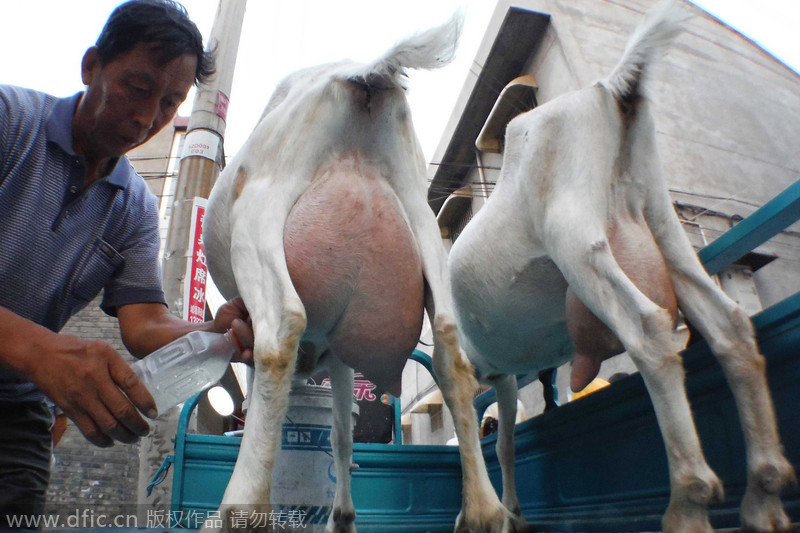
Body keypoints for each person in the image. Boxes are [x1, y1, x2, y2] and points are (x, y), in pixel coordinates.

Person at [0, 0, 253, 524]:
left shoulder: (133, 205)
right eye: (137, 89)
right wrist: (39, 350)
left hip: (16, 409)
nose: (146, 119)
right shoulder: (9, 123)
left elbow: (144, 325)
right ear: (92, 66)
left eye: (168, 103)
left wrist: (214, 332)